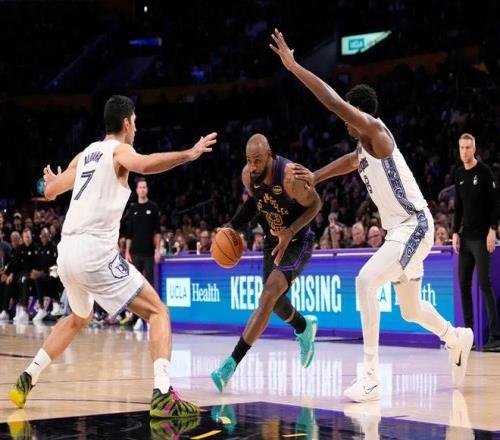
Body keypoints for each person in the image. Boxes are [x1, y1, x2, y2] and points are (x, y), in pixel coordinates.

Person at [270, 29, 473, 402]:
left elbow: (332, 102)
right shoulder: (364, 148)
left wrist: (295, 67)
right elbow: (351, 162)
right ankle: (456, 337)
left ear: (359, 114)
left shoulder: (375, 131)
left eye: (349, 116)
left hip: (414, 226)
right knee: (410, 310)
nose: (344, 123)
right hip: (402, 232)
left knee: (365, 282)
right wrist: (316, 175)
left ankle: (371, 376)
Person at [8, 95, 216, 418]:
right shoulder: (120, 151)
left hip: (67, 253)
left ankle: (27, 376)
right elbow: (145, 165)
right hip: (94, 252)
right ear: (126, 123)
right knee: (158, 312)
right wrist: (189, 154)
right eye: (136, 122)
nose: (137, 128)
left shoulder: (85, 154)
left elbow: (49, 191)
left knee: (79, 317)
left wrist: (52, 180)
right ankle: (163, 394)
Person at [211, 133, 321, 392]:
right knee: (274, 303)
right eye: (249, 160)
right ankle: (303, 326)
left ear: (269, 155)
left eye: (258, 160)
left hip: (298, 240)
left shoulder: (290, 177)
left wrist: (290, 231)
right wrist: (231, 226)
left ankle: (230, 364)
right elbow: (254, 204)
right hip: (273, 241)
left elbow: (316, 204)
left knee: (268, 295)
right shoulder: (248, 175)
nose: (253, 166)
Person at [452, 133, 500, 351]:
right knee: (463, 285)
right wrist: (455, 231)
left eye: (468, 148)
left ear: (474, 148)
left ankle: (495, 336)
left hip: (482, 237)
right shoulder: (459, 174)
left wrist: (493, 230)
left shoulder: (484, 171)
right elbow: (459, 206)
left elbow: (495, 203)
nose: (464, 152)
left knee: (484, 284)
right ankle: (468, 336)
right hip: (466, 238)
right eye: (461, 148)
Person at [124, 177, 161, 330]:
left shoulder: (153, 207)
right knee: (135, 286)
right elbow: (129, 234)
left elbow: (157, 232)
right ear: (137, 190)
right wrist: (127, 251)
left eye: (145, 187)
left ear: (147, 189)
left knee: (149, 286)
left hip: (149, 254)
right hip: (135, 253)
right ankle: (136, 317)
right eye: (140, 187)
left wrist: (158, 250)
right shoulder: (132, 209)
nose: (142, 189)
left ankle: (149, 318)